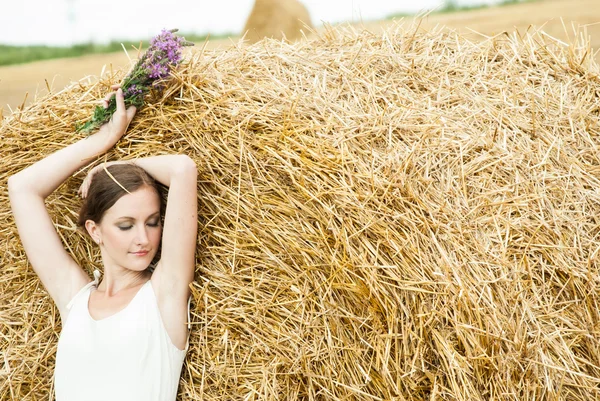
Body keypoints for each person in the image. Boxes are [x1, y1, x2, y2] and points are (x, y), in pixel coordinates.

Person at [7, 86, 198, 401]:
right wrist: (102, 140)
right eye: (126, 226)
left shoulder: (165, 294)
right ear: (95, 231)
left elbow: (182, 169)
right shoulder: (74, 299)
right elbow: (22, 187)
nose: (144, 239)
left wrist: (116, 166)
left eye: (153, 222)